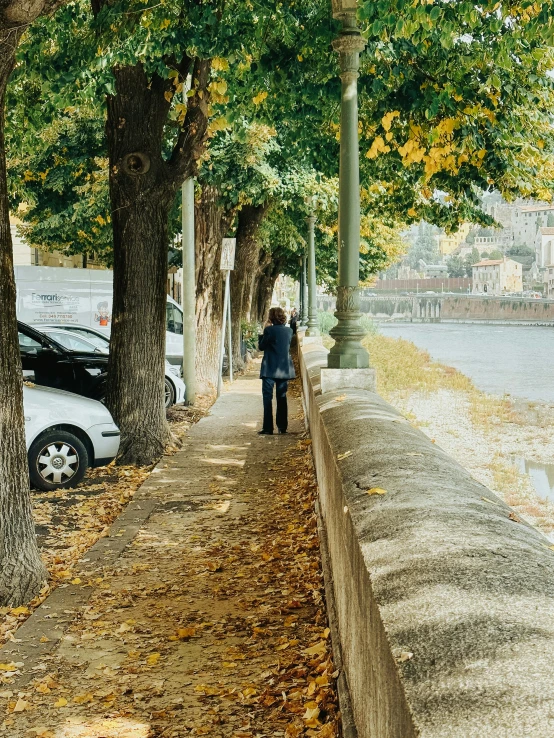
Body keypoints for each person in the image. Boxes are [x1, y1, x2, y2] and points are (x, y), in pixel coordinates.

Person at [258, 306, 296, 435]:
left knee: (267, 398)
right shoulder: (289, 331)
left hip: (269, 368)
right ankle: (282, 427)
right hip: (284, 369)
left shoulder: (269, 330)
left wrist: (264, 330)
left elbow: (261, 346)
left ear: (271, 317)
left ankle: (268, 428)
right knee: (282, 397)